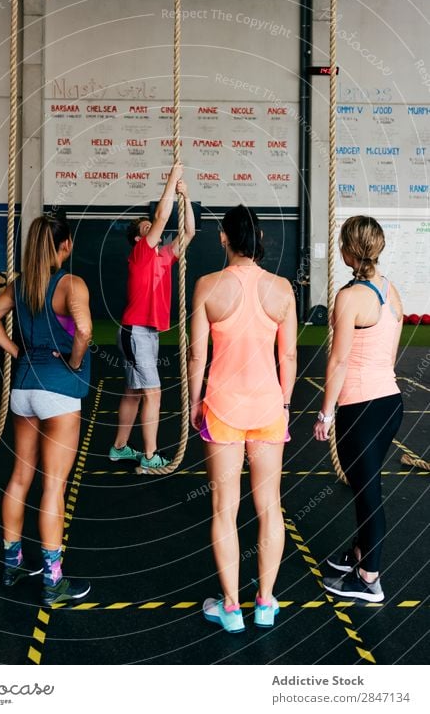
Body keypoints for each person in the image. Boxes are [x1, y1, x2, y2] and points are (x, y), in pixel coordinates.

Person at [188, 204, 297, 632]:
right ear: (261, 240)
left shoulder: (207, 286)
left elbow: (198, 355)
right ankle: (266, 603)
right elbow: (287, 354)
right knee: (270, 509)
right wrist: (284, 402)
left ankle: (231, 608)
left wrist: (194, 402)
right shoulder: (282, 289)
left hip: (223, 409)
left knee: (223, 509)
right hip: (269, 409)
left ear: (223, 238)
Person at [0, 213, 92, 607]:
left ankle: (12, 565)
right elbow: (85, 330)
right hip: (58, 392)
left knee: (20, 477)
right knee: (54, 487)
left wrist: (17, 352)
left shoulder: (21, 285)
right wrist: (75, 363)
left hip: (24, 389)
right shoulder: (71, 284)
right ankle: (53, 581)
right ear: (65, 246)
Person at [313, 215, 404, 602]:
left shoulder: (350, 298)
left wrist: (325, 413)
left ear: (349, 249)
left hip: (362, 407)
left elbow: (338, 361)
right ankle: (358, 555)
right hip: (390, 403)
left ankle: (369, 579)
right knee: (364, 488)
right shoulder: (389, 289)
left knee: (368, 493)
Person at [110, 161, 195, 471]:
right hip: (136, 333)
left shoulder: (162, 258)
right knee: (154, 394)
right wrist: (172, 178)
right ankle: (149, 457)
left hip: (145, 333)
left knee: (133, 393)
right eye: (145, 228)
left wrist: (185, 197)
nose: (153, 228)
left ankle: (119, 448)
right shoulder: (141, 253)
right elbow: (161, 216)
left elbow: (189, 232)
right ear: (138, 238)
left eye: (151, 227)